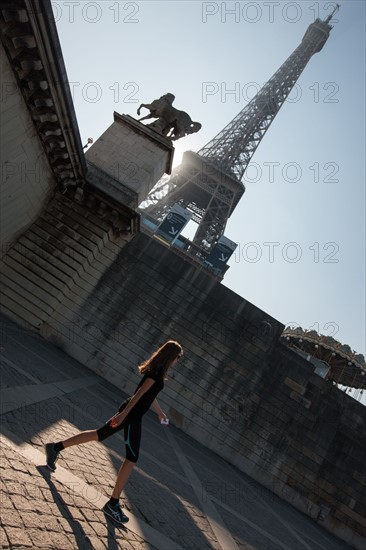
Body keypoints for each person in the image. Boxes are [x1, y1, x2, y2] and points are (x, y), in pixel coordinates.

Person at [45, 340, 183, 524]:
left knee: (99, 435)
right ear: (171, 356)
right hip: (131, 416)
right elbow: (139, 395)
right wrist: (123, 415)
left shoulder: (157, 374)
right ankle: (113, 503)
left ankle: (55, 448)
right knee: (131, 458)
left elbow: (149, 396)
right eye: (178, 358)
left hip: (132, 415)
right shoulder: (155, 375)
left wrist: (159, 413)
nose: (177, 361)